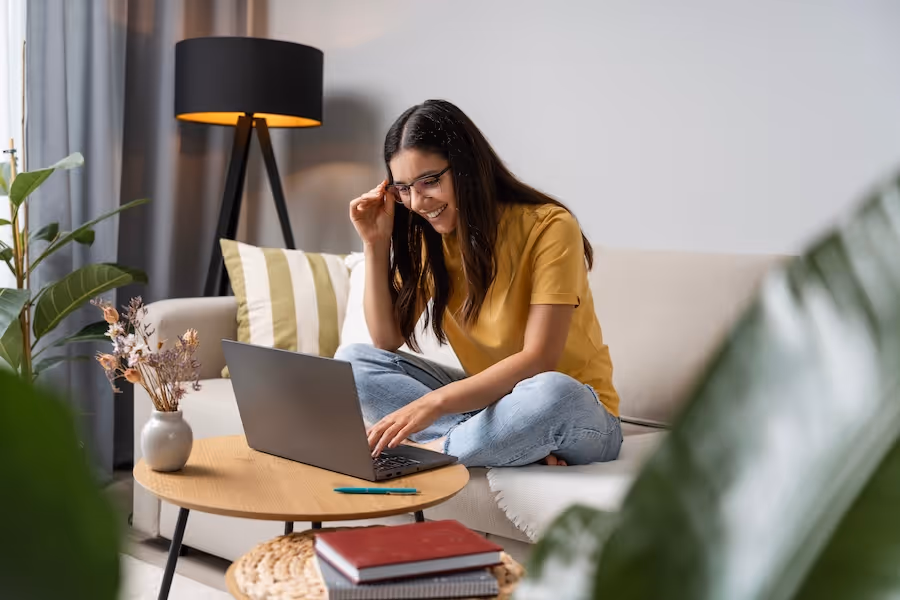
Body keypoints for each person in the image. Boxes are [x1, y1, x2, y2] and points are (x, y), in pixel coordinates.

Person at [334, 99, 622, 468]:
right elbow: (386, 340)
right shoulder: (429, 239)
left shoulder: (549, 226)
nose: (418, 202)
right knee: (353, 362)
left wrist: (432, 402)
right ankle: (506, 441)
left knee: (553, 392)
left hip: (581, 414)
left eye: (430, 181)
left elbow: (540, 359)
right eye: (403, 188)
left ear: (467, 167)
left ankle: (434, 452)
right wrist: (375, 243)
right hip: (492, 406)